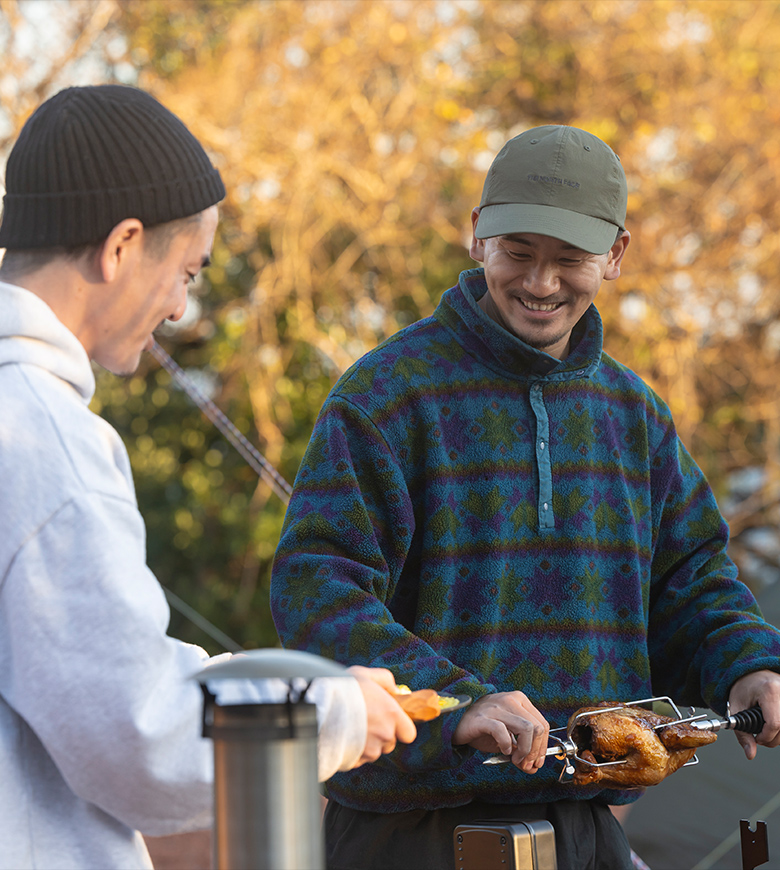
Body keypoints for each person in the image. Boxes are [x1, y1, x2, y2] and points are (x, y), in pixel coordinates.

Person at [270, 124, 780, 869]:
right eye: (519, 253)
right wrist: (459, 701)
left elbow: (692, 582)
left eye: (569, 260)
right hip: (405, 838)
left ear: (615, 256)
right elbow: (315, 593)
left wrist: (746, 661)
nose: (541, 283)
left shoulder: (635, 417)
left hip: (587, 830)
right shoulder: (384, 397)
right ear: (479, 237)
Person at [0, 84, 416, 870]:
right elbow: (139, 736)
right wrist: (333, 714)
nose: (182, 311)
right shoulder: (43, 438)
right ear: (121, 246)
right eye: (188, 273)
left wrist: (249, 679)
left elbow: (71, 678)